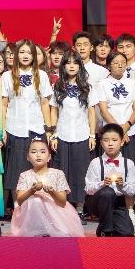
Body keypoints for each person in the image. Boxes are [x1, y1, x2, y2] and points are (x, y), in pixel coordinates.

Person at [0, 39, 54, 205]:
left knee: (36, 169)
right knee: (16, 170)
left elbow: (45, 104)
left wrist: (49, 129)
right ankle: (18, 206)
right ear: (16, 54)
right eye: (22, 52)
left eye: (29, 53)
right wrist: (3, 129)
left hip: (36, 128)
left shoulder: (42, 75)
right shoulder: (7, 76)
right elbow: (3, 104)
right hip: (14, 128)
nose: (25, 56)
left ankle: (37, 205)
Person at [95, 50, 135, 224]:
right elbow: (103, 109)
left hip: (131, 131)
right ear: (109, 65)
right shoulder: (102, 84)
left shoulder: (132, 83)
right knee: (110, 170)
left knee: (129, 172)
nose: (120, 65)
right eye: (115, 62)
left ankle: (130, 210)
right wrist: (118, 131)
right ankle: (108, 209)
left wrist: (127, 126)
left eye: (123, 62)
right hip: (111, 133)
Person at [49, 51, 97, 216]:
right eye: (68, 63)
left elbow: (91, 112)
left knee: (81, 172)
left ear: (80, 66)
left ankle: (80, 208)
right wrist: (53, 134)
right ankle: (64, 207)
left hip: (82, 135)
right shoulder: (57, 87)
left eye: (75, 63)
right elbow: (54, 111)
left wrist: (92, 135)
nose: (71, 66)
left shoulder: (87, 87)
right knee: (63, 171)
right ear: (63, 66)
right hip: (62, 134)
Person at [10, 138, 83, 237]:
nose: (38, 155)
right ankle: (36, 231)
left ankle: (52, 230)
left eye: (42, 152)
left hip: (55, 214)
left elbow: (62, 202)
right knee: (36, 200)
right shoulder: (25, 175)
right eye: (34, 152)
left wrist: (52, 192)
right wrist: (31, 191)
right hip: (30, 214)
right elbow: (19, 201)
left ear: (49, 157)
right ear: (28, 157)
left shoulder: (58, 174)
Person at [84, 124, 135, 237]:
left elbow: (132, 191)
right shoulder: (95, 162)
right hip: (97, 201)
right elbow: (88, 189)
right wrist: (102, 184)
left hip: (118, 203)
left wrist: (123, 185)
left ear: (122, 142)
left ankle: (110, 224)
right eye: (106, 140)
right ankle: (105, 230)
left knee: (127, 233)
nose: (110, 144)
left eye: (114, 140)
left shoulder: (129, 164)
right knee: (107, 192)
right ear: (101, 143)